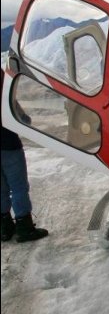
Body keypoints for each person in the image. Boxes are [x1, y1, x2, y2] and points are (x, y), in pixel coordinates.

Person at [1, 69, 49, 243]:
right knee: (18, 187)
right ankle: (24, 228)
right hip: (8, 144)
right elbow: (11, 103)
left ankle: (4, 228)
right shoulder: (1, 77)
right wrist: (24, 119)